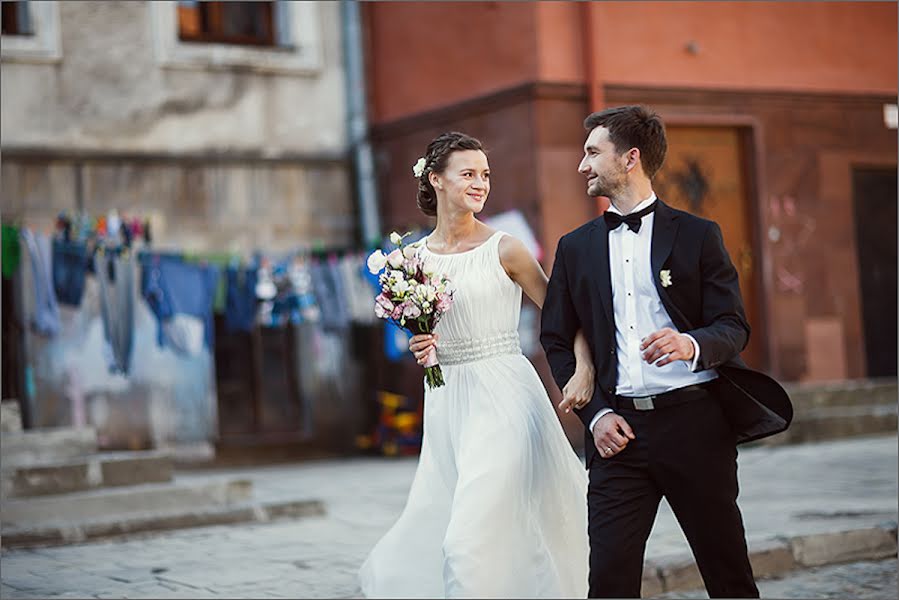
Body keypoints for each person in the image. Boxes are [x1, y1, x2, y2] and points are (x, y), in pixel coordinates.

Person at [540, 105, 793, 598]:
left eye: (593, 152)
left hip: (695, 426)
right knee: (609, 579)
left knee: (728, 574)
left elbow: (732, 325)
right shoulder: (574, 247)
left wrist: (690, 343)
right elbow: (556, 337)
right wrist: (594, 417)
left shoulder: (699, 235)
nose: (582, 165)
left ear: (630, 158)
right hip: (618, 436)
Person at [359, 132, 593, 598]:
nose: (481, 183)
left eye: (485, 175)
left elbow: (565, 316)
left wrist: (583, 368)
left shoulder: (506, 249)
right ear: (436, 180)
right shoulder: (409, 261)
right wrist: (420, 344)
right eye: (468, 174)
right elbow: (420, 330)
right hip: (447, 400)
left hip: (505, 396)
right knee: (470, 522)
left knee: (466, 539)